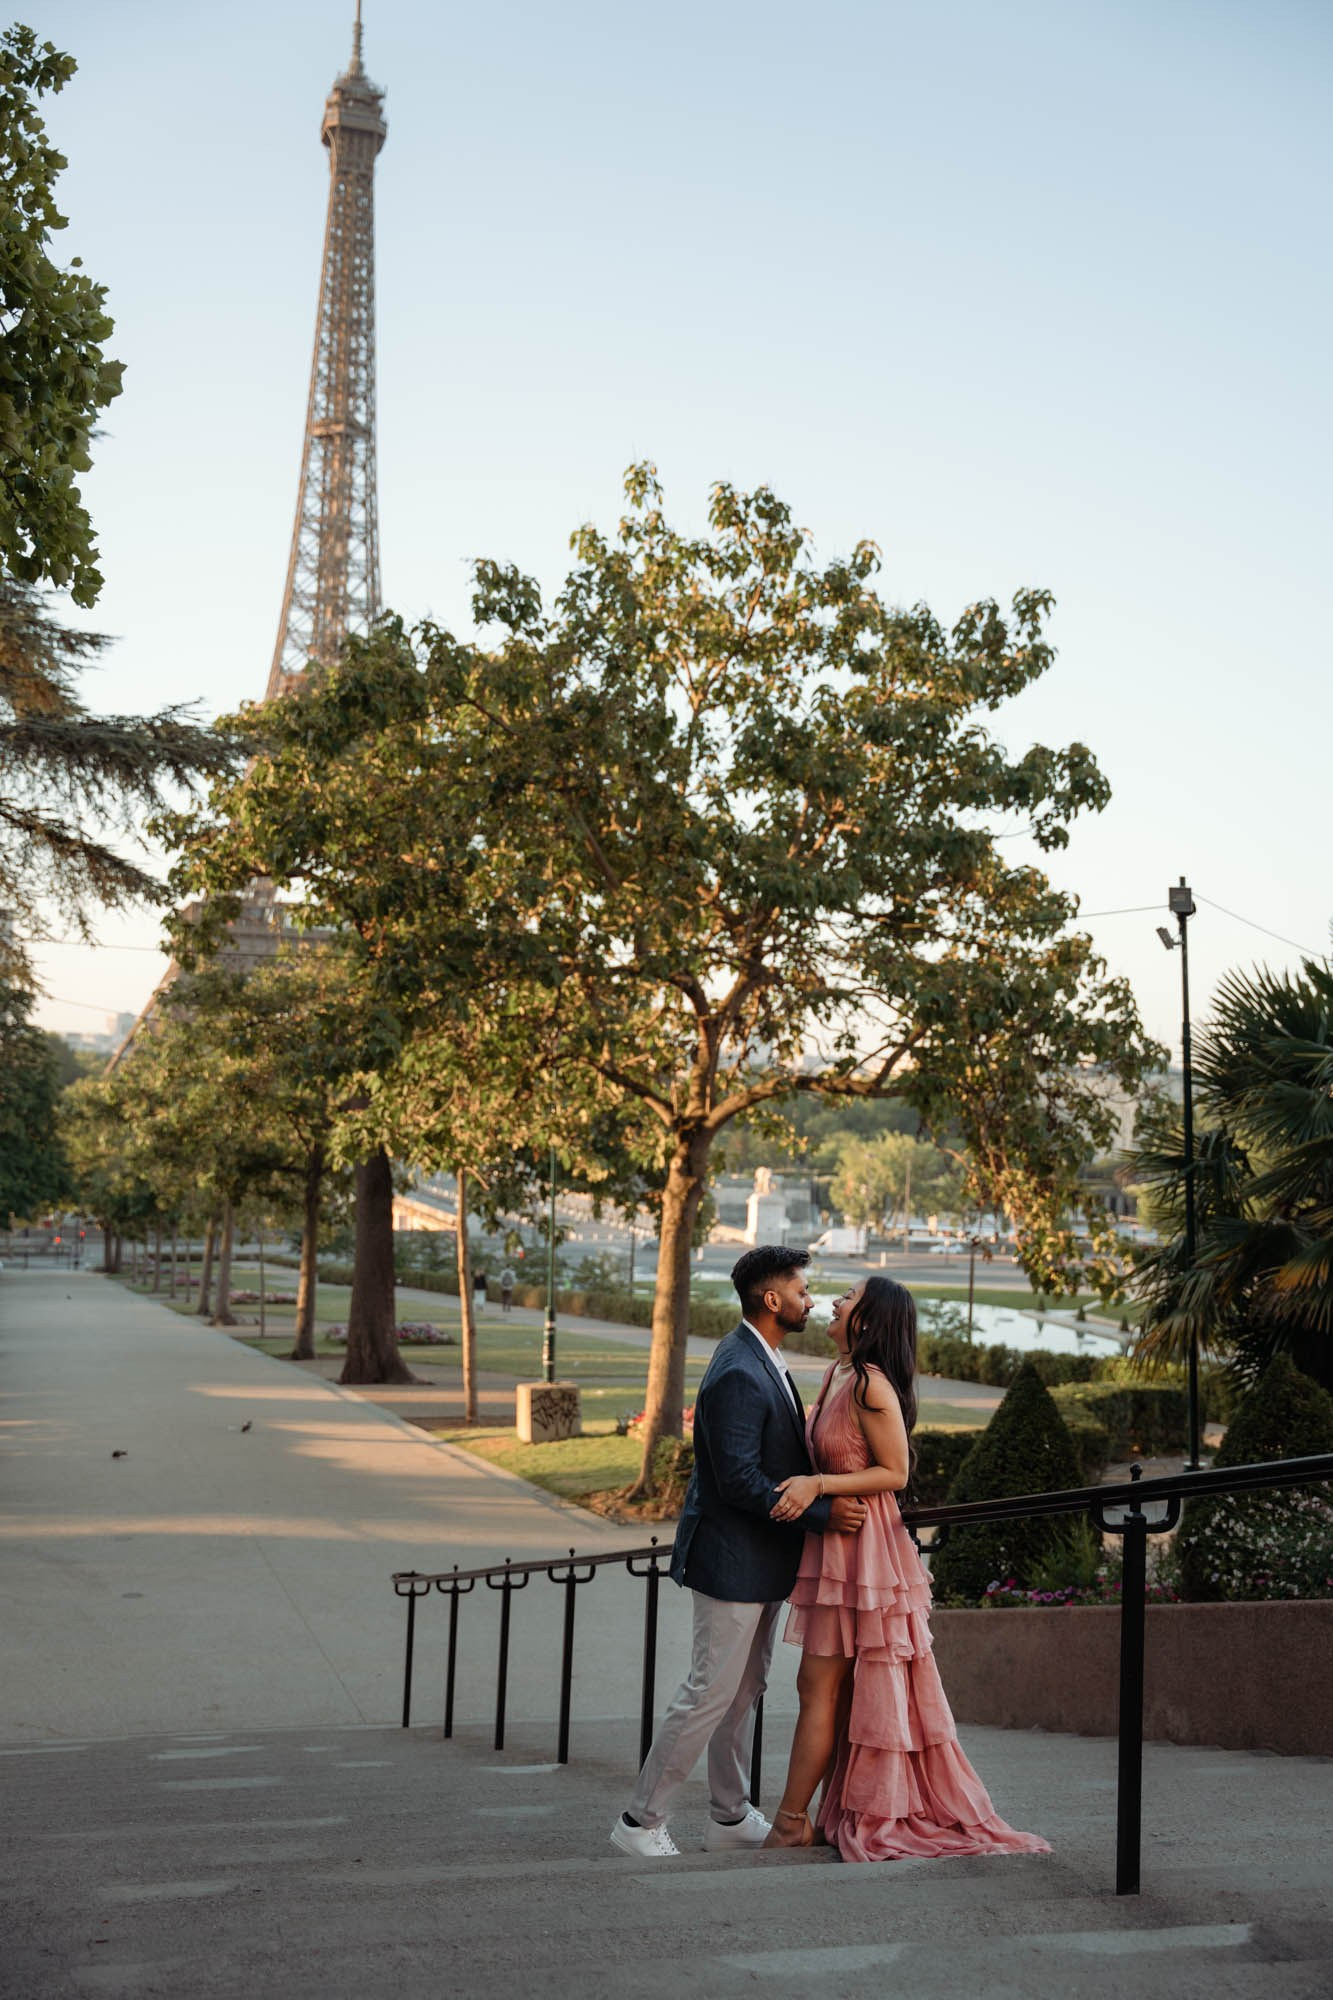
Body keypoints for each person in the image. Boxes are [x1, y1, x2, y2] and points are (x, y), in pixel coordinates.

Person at [762, 1276, 1050, 1864]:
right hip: (840, 1543)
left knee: (821, 1686)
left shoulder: (871, 1384)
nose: (836, 1302)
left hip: (866, 1551)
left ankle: (793, 1821)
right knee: (827, 1688)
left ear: (866, 1322)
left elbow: (894, 1472)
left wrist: (819, 1484)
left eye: (848, 1297)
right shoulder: (837, 1372)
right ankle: (821, 1812)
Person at [610, 1245, 868, 1860]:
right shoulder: (737, 1369)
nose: (812, 1299)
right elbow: (738, 1481)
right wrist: (826, 1513)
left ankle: (729, 1815)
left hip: (760, 1562)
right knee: (707, 1692)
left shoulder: (764, 1356)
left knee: (744, 1688)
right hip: (731, 1563)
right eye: (803, 1290)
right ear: (772, 1300)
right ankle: (639, 1821)